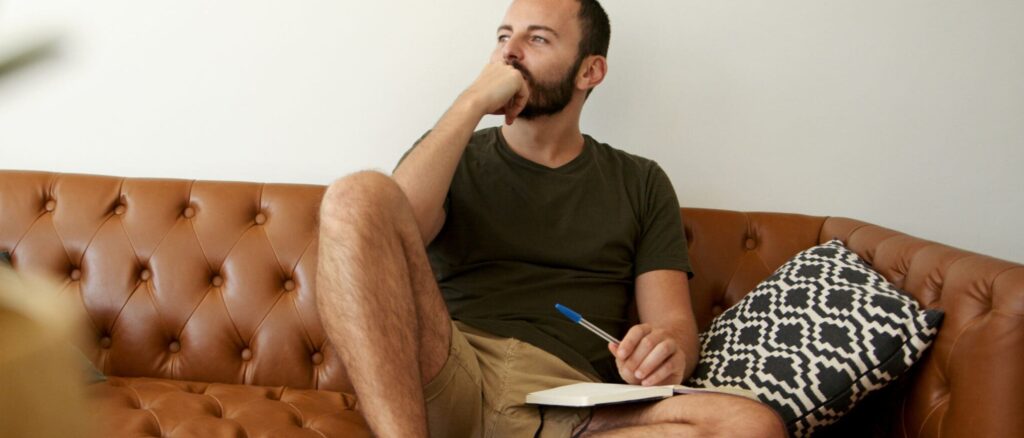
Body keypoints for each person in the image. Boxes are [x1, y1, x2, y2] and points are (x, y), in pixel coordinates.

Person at [316, 0, 787, 436]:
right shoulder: (449, 151)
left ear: (589, 70)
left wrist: (666, 353)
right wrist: (471, 103)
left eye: (537, 39)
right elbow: (395, 234)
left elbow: (675, 327)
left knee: (750, 424)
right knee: (356, 195)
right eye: (504, 37)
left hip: (568, 404)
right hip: (449, 374)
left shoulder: (641, 181)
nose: (510, 53)